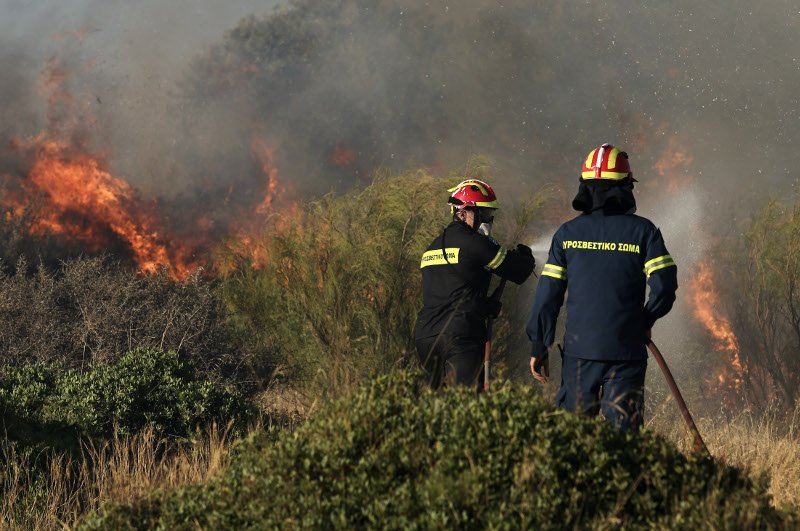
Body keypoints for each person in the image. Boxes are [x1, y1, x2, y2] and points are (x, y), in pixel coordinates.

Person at [526, 144, 678, 431]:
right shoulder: (644, 232)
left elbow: (548, 295)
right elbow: (665, 286)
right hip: (626, 353)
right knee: (623, 444)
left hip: (579, 355)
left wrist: (538, 343)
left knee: (572, 438)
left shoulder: (567, 234)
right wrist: (644, 320)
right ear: (624, 187)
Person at [415, 179, 535, 390]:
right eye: (483, 214)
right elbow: (519, 271)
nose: (487, 221)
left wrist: (484, 306)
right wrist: (526, 256)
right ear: (462, 213)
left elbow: (452, 294)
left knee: (433, 409)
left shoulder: (431, 247)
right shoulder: (475, 243)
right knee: (465, 406)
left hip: (426, 337)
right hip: (460, 337)